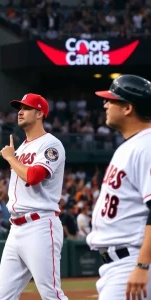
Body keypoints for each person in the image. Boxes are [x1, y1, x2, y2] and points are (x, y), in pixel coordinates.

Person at [86, 75, 151, 300]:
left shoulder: (146, 146)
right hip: (121, 263)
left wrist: (143, 265)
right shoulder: (133, 144)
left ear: (127, 108)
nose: (105, 104)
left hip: (133, 260)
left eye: (111, 100)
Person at [0, 93, 67, 299]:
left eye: (26, 108)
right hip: (16, 228)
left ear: (39, 114)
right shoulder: (22, 147)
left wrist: (10, 157)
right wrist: (14, 155)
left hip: (40, 225)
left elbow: (34, 176)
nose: (20, 111)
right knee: (4, 297)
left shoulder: (51, 144)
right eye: (19, 108)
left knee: (51, 294)